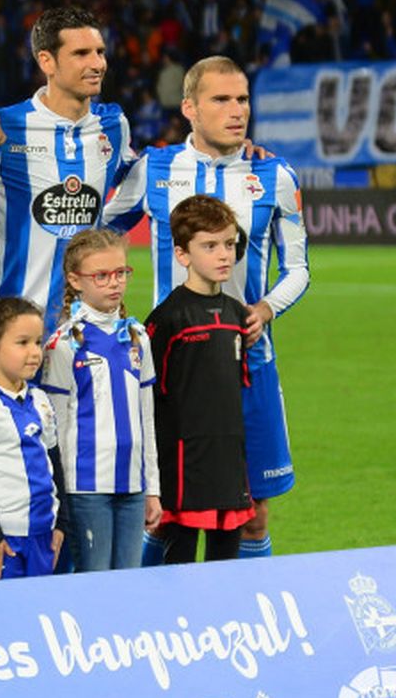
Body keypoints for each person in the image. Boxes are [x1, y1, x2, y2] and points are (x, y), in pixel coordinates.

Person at [103, 55, 308, 563]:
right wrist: (112, 302)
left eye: (242, 99)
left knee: (254, 511)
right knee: (168, 509)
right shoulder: (155, 168)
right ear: (190, 107)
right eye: (221, 99)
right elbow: (102, 234)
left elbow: (299, 268)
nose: (236, 110)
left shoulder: (275, 174)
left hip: (248, 363)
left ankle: (250, 622)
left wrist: (266, 307)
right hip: (172, 368)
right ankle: (151, 615)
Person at [0, 6, 136, 312]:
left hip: (79, 323)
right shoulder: (2, 126)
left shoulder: (114, 125)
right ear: (47, 61)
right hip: (10, 320)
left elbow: (138, 177)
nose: (97, 64)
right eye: (81, 53)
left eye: (100, 52)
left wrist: (104, 230)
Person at [143, 195, 256, 565]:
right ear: (182, 254)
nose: (223, 255)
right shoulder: (168, 318)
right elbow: (152, 398)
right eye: (209, 246)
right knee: (181, 565)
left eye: (228, 244)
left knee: (227, 565)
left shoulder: (237, 315)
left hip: (228, 459)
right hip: (184, 462)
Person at [39, 228, 160, 571]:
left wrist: (153, 487)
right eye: (102, 276)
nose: (115, 283)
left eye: (121, 273)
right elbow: (56, 428)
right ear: (75, 280)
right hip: (86, 488)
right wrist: (59, 498)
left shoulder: (137, 337)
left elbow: (147, 418)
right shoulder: (65, 343)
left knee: (129, 582)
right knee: (95, 582)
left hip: (133, 485)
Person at [0, 297, 67, 580]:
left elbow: (54, 464)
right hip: (4, 542)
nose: (34, 352)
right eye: (22, 343)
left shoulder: (40, 400)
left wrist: (61, 523)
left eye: (37, 341)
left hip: (43, 536)